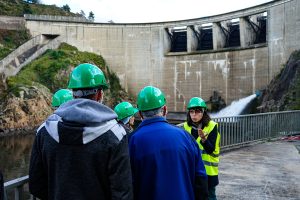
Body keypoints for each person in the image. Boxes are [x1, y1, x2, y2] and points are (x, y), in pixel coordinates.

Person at [29, 63, 133, 200]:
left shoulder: (44, 131)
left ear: (73, 93)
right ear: (100, 94)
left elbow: (36, 186)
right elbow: (122, 193)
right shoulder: (116, 135)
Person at [129, 86, 208, 200]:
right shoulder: (186, 137)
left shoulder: (132, 141)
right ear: (165, 109)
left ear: (140, 114)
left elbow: (127, 185)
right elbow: (200, 179)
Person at [182, 97, 221, 200]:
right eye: (191, 111)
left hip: (208, 172)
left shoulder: (212, 126)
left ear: (204, 112)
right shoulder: (186, 127)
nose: (194, 115)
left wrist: (203, 138)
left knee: (210, 197)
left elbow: (210, 149)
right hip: (193, 171)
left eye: (197, 111)